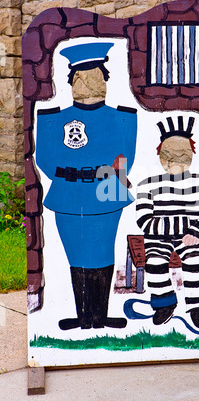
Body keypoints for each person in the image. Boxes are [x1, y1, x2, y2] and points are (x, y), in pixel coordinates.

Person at [36, 41, 137, 330]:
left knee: (103, 251)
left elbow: (124, 156)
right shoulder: (56, 119)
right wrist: (73, 174)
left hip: (108, 191)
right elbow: (45, 157)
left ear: (104, 78)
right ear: (71, 82)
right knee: (77, 253)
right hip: (68, 194)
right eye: (80, 77)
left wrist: (106, 175)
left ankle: (99, 315)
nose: (87, 82)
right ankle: (83, 317)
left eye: (94, 75)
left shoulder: (121, 116)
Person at [136, 115, 199, 329]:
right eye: (168, 155)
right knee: (154, 263)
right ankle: (164, 304)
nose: (174, 161)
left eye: (182, 155)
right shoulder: (148, 184)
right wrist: (179, 224)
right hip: (157, 238)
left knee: (194, 262)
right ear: (160, 155)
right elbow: (144, 219)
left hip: (190, 237)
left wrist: (194, 231)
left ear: (191, 154)